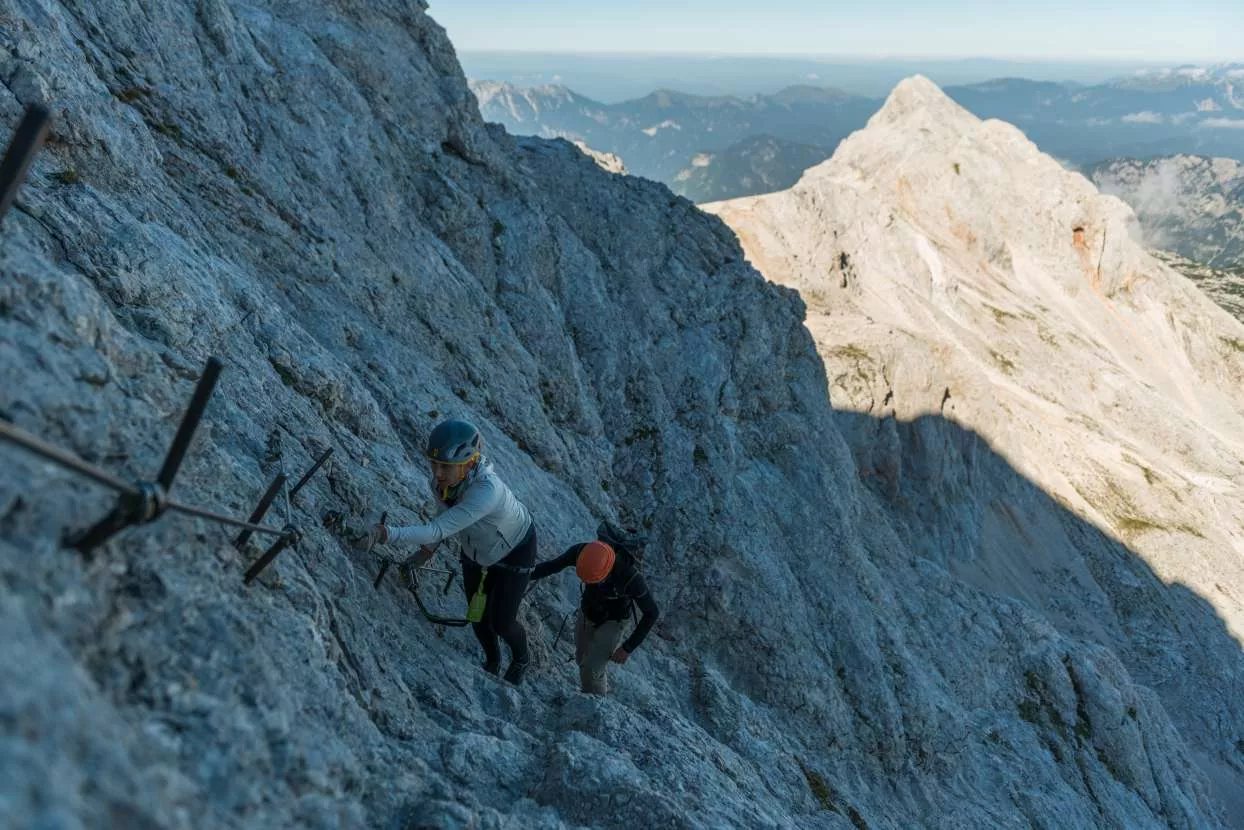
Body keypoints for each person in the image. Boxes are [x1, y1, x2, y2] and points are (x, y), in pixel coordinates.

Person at [362, 419, 536, 686]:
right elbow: (443, 516)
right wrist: (426, 553)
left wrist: (386, 534)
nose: (438, 473)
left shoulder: (487, 491)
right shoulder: (441, 484)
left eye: (446, 466)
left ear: (469, 462)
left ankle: (521, 658)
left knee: (502, 621)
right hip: (476, 548)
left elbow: (436, 529)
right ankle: (492, 661)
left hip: (515, 549)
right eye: (434, 464)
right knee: (476, 615)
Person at [530, 521, 659, 695]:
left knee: (591, 670)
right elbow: (552, 566)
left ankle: (595, 706)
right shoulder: (581, 552)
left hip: (614, 620)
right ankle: (595, 687)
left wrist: (627, 647)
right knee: (582, 659)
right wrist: (521, 574)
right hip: (588, 610)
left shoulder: (629, 577)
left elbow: (652, 613)